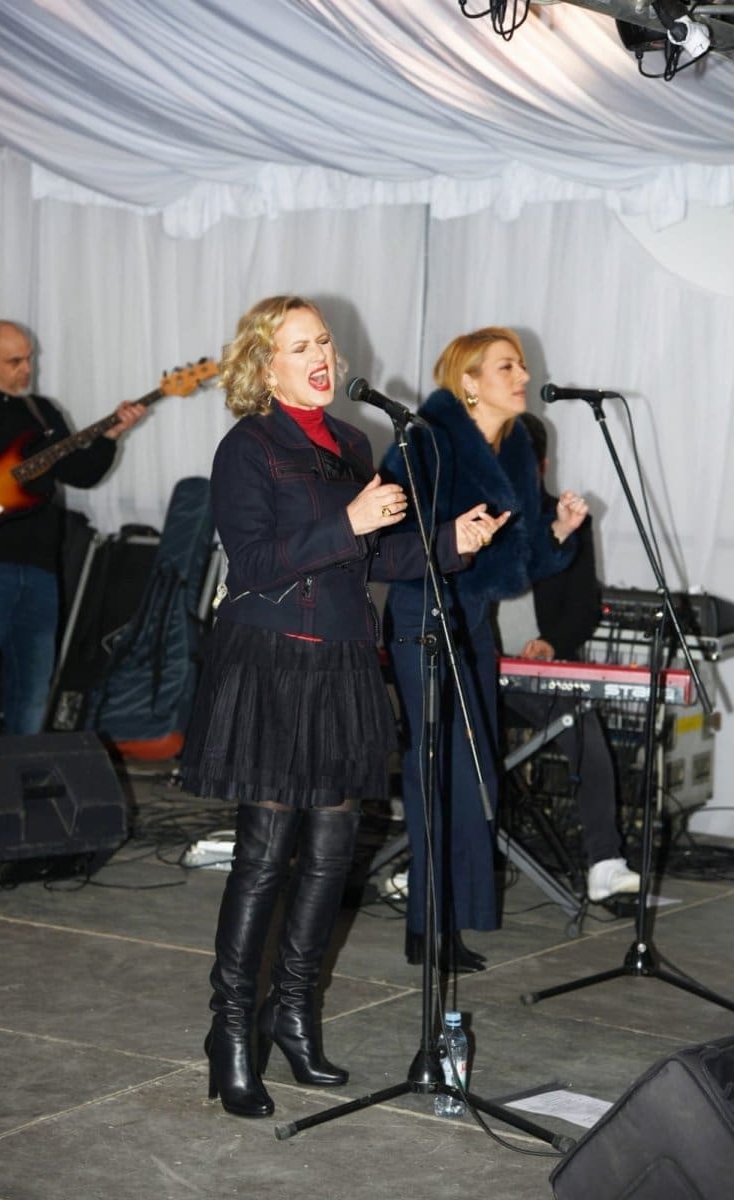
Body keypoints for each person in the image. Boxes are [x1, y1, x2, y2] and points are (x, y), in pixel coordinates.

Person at [180, 295, 508, 1120]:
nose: (321, 357)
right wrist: (350, 520)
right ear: (265, 366)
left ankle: (291, 1013)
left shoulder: (353, 444)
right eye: (300, 347)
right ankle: (230, 1031)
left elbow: (377, 554)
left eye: (323, 342)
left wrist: (450, 544)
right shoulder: (249, 446)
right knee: (265, 855)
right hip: (272, 661)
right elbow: (253, 562)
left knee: (332, 853)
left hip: (342, 662)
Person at [382, 327, 587, 972]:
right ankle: (427, 925)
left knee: (474, 773)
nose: (523, 376)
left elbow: (518, 565)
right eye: (507, 367)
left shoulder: (517, 446)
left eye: (521, 365)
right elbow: (387, 534)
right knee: (435, 770)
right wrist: (451, 537)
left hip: (471, 619)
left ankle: (453, 918)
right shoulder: (426, 438)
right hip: (421, 611)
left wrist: (559, 532)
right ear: (468, 382)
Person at [0, 319, 145, 738]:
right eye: (14, 361)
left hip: (40, 572)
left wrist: (110, 437)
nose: (26, 369)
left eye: (29, 359)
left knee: (32, 693)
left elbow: (82, 473)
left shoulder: (41, 412)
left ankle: (17, 776)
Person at [495, 412, 640, 903]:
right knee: (444, 734)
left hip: (541, 673)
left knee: (582, 723)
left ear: (542, 465)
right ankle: (427, 862)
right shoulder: (469, 515)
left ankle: (605, 861)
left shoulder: (570, 519)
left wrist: (550, 644)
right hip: (476, 667)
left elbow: (584, 609)